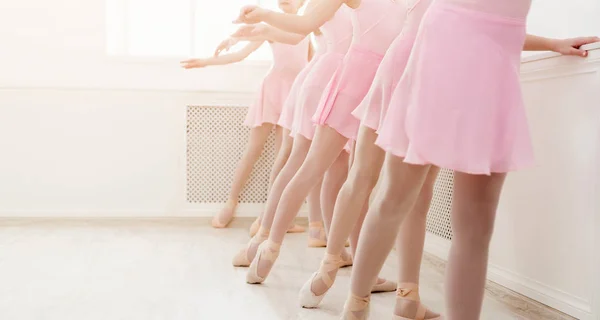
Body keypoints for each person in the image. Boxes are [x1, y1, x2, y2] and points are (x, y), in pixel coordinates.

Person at [340, 0, 600, 318]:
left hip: (499, 53)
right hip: (444, 41)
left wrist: (551, 43)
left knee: (478, 221)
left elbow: (497, 17)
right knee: (396, 197)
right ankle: (355, 306)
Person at [234, 0, 397, 291]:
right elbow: (304, 26)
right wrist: (264, 20)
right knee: (333, 173)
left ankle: (274, 248)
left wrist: (263, 23)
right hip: (346, 80)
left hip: (361, 82)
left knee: (348, 178)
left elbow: (303, 29)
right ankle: (268, 246)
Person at [299, 3, 441, 319]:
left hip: (404, 64)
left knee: (367, 177)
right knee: (409, 193)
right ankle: (402, 294)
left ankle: (332, 266)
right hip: (426, 68)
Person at [181, 0, 310, 232]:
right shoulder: (271, 25)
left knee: (284, 156)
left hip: (295, 94)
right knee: (254, 150)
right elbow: (239, 53)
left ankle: (274, 215)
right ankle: (230, 202)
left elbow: (311, 63)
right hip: (272, 90)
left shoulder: (308, 27)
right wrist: (206, 62)